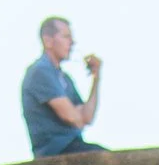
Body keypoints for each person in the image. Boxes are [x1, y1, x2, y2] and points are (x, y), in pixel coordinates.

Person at [22, 17, 102, 155]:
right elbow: (72, 118)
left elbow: (87, 117)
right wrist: (78, 117)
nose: (72, 43)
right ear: (48, 41)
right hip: (55, 150)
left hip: (73, 145)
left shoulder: (64, 78)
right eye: (66, 37)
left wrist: (96, 77)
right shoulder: (40, 71)